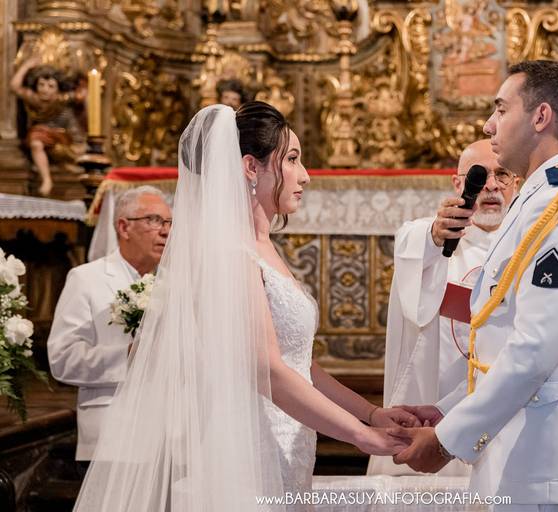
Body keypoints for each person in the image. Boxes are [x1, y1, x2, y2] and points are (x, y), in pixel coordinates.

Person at [72, 103, 411, 512]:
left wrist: (371, 414)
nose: (305, 175)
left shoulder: (264, 249)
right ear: (251, 167)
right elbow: (267, 370)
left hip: (288, 439)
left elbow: (299, 365)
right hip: (249, 446)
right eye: (292, 159)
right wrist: (360, 436)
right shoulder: (232, 254)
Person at [390, 60, 558, 511]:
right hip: (535, 452)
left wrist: (447, 440)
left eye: (501, 110)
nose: (489, 125)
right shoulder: (542, 196)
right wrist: (450, 408)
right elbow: (505, 335)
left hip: (556, 463)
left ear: (540, 117)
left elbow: (533, 350)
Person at [368, 139, 519, 477]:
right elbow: (413, 244)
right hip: (435, 401)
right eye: (479, 175)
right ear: (457, 183)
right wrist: (436, 235)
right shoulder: (433, 237)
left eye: (502, 175)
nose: (491, 185)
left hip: (504, 403)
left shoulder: (527, 241)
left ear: (516, 182)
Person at [47, 186, 171, 465]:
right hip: (111, 437)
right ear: (124, 227)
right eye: (154, 220)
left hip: (167, 441)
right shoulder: (86, 279)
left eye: (169, 222)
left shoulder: (173, 283)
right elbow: (62, 359)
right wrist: (126, 355)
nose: (165, 231)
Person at [11, 56, 86, 196]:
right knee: (35, 141)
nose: (45, 90)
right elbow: (15, 87)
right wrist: (26, 66)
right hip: (43, 137)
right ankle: (46, 180)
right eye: (41, 85)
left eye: (51, 86)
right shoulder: (35, 99)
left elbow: (80, 95)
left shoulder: (62, 99)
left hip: (66, 136)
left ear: (58, 89)